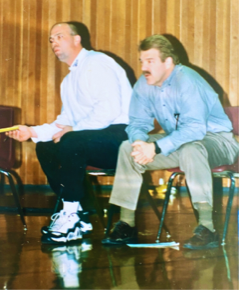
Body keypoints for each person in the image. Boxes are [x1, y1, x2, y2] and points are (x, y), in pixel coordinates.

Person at [101, 34, 239, 250]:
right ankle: (126, 223)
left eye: (150, 61)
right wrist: (139, 143)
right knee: (127, 148)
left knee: (192, 150)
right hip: (180, 142)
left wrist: (154, 147)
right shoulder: (144, 84)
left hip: (217, 140)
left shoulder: (188, 81)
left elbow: (194, 129)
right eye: (142, 61)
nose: (144, 67)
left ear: (168, 63)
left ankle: (207, 227)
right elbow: (137, 121)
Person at [7, 21, 132, 244]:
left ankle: (71, 214)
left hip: (121, 137)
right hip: (89, 138)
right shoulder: (68, 81)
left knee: (71, 141)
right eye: (51, 39)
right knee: (45, 146)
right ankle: (79, 214)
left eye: (59, 36)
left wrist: (73, 130)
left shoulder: (97, 62)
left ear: (77, 40)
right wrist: (31, 132)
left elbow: (109, 110)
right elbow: (64, 123)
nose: (53, 42)